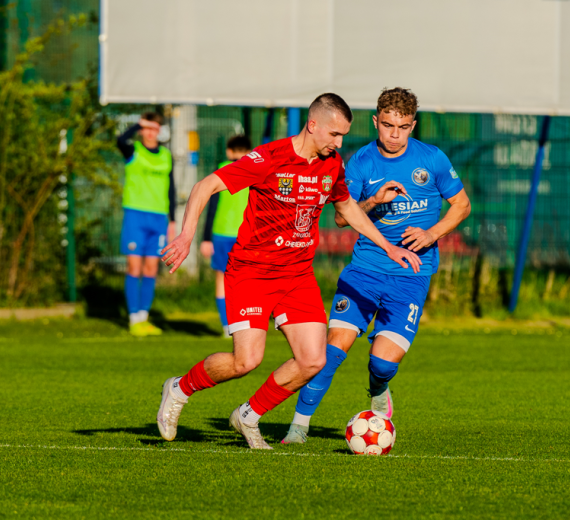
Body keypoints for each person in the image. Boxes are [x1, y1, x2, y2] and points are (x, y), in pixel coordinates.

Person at [155, 93, 422, 450]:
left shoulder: (330, 164)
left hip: (296, 275)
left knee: (314, 359)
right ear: (313, 125)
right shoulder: (269, 158)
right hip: (251, 272)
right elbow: (207, 185)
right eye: (334, 134)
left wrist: (388, 246)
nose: (338, 143)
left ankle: (249, 415)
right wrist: (187, 234)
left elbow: (347, 207)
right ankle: (179, 388)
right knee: (245, 361)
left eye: (343, 136)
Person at [282, 87, 471, 444]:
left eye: (402, 127)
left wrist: (431, 234)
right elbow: (341, 218)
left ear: (413, 125)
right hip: (364, 271)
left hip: (410, 277)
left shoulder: (432, 159)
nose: (394, 134)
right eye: (387, 125)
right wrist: (372, 201)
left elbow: (461, 206)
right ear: (376, 121)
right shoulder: (361, 162)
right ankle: (298, 427)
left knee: (382, 364)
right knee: (332, 351)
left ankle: (378, 388)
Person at [117, 112, 176, 337]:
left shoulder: (166, 155)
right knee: (134, 267)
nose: (151, 133)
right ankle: (133, 318)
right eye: (147, 128)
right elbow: (120, 140)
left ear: (159, 131)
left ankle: (144, 317)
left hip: (158, 217)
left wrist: (171, 219)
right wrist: (137, 125)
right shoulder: (134, 151)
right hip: (135, 215)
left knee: (152, 268)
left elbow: (171, 188)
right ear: (142, 130)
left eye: (154, 128)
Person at [200, 135, 253, 337]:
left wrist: (205, 238)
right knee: (246, 282)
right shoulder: (254, 172)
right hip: (247, 235)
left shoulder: (220, 171)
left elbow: (211, 207)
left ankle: (227, 326)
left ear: (228, 151)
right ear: (250, 152)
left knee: (222, 280)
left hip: (221, 233)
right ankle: (244, 322)